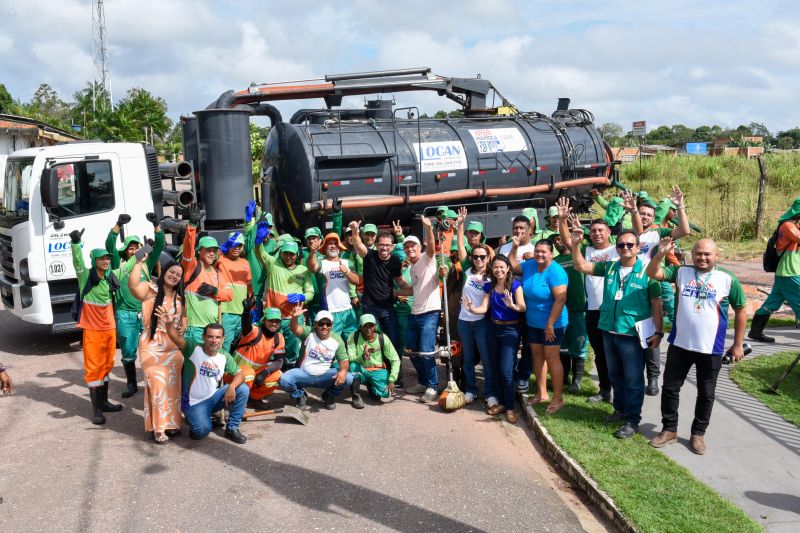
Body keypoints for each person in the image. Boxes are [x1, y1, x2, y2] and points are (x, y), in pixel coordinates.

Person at [646, 237, 747, 454]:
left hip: (711, 349)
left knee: (706, 393)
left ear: (716, 255)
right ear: (692, 254)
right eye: (698, 253)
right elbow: (652, 273)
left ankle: (698, 434)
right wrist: (661, 254)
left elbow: (741, 310)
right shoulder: (681, 272)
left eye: (707, 254)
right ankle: (669, 429)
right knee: (670, 388)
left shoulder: (727, 279)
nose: (702, 257)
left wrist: (738, 344)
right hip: (680, 344)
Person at [571, 227, 663, 439]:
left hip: (631, 334)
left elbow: (656, 304)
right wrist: (575, 244)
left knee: (633, 379)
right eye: (621, 245)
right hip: (608, 331)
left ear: (638, 248)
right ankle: (620, 409)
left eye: (630, 245)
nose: (625, 248)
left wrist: (658, 332)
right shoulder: (610, 267)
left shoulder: (648, 272)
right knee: (615, 375)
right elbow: (581, 266)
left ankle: (632, 420)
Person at [632, 186, 689, 396]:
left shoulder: (658, 233)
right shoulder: (627, 235)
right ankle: (634, 376)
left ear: (654, 217)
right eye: (642, 213)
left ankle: (653, 377)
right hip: (629, 286)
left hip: (651, 284)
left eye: (649, 214)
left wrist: (680, 206)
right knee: (631, 332)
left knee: (651, 331)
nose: (645, 217)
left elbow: (684, 231)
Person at [104, 211, 165, 398]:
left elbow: (160, 244)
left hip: (146, 313)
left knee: (151, 349)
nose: (134, 251)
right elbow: (109, 245)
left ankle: (152, 382)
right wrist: (118, 225)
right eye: (130, 248)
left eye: (136, 247)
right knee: (128, 352)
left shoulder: (147, 263)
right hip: (125, 314)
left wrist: (156, 224)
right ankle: (131, 384)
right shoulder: (119, 264)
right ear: (126, 251)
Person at [127, 253, 184, 444]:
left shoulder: (180, 298)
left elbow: (183, 318)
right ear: (164, 271)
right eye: (172, 272)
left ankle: (172, 424)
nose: (174, 276)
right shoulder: (151, 290)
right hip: (152, 346)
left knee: (173, 387)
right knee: (157, 386)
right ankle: (159, 429)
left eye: (178, 275)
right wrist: (138, 263)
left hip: (173, 348)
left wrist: (183, 327)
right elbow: (133, 286)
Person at [161, 320, 249, 444]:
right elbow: (176, 338)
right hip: (193, 403)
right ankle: (197, 420)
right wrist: (169, 324)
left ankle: (232, 428)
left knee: (243, 389)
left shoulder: (224, 355)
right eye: (210, 336)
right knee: (201, 431)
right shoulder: (192, 349)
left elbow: (240, 375)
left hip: (214, 398)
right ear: (203, 337)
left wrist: (232, 387)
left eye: (218, 337)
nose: (214, 340)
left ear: (223, 339)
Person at [69, 228, 124, 425]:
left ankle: (105, 402)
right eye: (102, 258)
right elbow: (77, 262)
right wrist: (76, 244)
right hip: (93, 331)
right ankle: (97, 411)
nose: (106, 261)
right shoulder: (85, 276)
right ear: (94, 261)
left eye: (108, 258)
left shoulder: (111, 277)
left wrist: (146, 251)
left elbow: (128, 264)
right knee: (94, 370)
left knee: (107, 365)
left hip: (110, 329)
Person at [509, 237, 568, 413]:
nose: (540, 255)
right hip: (533, 322)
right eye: (537, 251)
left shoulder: (556, 272)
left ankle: (558, 398)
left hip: (553, 323)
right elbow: (512, 266)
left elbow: (561, 299)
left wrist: (550, 323)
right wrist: (514, 247)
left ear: (551, 253)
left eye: (543, 252)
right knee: (537, 356)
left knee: (552, 357)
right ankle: (542, 393)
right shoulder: (530, 265)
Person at [465, 254, 526, 423]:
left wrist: (512, 305)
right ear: (492, 269)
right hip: (493, 329)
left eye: (502, 267)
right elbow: (483, 308)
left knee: (506, 371)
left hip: (510, 331)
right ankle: (501, 403)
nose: (498, 270)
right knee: (495, 367)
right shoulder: (489, 286)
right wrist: (471, 308)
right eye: (496, 267)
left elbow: (522, 307)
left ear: (508, 269)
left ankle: (510, 407)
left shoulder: (515, 285)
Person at [348, 220, 411, 357]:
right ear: (376, 245)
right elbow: (358, 244)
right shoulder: (370, 256)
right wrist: (355, 230)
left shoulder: (395, 261)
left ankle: (394, 368)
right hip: (370, 307)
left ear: (392, 247)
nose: (384, 248)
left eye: (387, 245)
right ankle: (374, 368)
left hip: (388, 308)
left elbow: (400, 281)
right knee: (371, 341)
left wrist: (412, 289)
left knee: (392, 341)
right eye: (381, 244)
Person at [401, 217, 446, 404]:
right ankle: (423, 382)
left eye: (413, 246)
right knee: (411, 350)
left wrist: (428, 228)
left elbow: (432, 248)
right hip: (415, 313)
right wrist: (392, 292)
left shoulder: (427, 259)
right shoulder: (412, 268)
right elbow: (414, 290)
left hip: (430, 313)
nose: (410, 249)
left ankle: (432, 387)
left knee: (426, 351)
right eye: (407, 247)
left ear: (420, 247)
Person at [279, 307, 356, 410]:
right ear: (315, 324)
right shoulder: (309, 332)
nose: (325, 327)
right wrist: (294, 318)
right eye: (321, 324)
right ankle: (300, 396)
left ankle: (329, 395)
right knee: (284, 380)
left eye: (328, 324)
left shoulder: (337, 340)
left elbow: (344, 360)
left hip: (325, 375)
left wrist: (343, 371)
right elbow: (295, 328)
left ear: (332, 325)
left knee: (348, 378)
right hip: (304, 374)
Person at [255, 236, 314, 366]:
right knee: (271, 349)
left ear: (297, 255)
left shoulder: (303, 270)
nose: (288, 257)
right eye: (286, 253)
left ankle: (290, 369)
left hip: (293, 318)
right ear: (281, 253)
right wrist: (258, 241)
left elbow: (310, 292)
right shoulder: (273, 264)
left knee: (293, 349)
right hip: (274, 318)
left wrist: (302, 297)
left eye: (292, 254)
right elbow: (260, 253)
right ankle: (273, 370)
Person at [749, 197, 800, 343]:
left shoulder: (793, 225)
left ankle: (755, 332)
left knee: (772, 303)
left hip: (785, 273)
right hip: (789, 272)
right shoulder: (787, 225)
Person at [581, 218, 619, 403]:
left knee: (616, 353)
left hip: (613, 310)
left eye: (600, 230)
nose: (597, 233)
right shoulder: (587, 250)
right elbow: (567, 242)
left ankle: (621, 394)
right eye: (593, 230)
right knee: (600, 353)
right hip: (593, 310)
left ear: (609, 232)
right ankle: (604, 390)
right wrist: (563, 221)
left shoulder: (617, 250)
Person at [181, 215, 233, 345]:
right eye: (208, 250)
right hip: (194, 329)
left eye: (214, 251)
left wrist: (215, 291)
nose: (212, 253)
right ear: (199, 251)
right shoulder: (191, 267)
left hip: (213, 331)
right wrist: (192, 226)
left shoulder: (218, 274)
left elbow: (229, 295)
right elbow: (187, 249)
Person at [498, 215, 535, 393]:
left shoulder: (535, 249)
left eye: (522, 228)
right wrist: (513, 247)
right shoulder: (505, 248)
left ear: (529, 230)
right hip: (507, 302)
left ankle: (523, 376)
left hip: (528, 302)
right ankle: (510, 374)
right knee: (510, 341)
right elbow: (505, 270)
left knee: (528, 342)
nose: (518, 231)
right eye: (515, 228)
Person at [554, 201, 589, 393]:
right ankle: (564, 377)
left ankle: (577, 380)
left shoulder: (579, 253)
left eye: (561, 238)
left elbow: (569, 239)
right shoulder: (554, 261)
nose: (559, 241)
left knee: (579, 343)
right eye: (555, 240)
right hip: (560, 309)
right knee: (563, 345)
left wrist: (563, 220)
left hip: (578, 307)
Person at [456, 240, 493, 404]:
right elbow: (460, 247)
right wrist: (460, 228)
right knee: (468, 358)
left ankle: (490, 392)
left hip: (482, 322)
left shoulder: (492, 275)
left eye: (482, 257)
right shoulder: (467, 270)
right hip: (464, 321)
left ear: (488, 258)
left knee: (486, 359)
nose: (478, 259)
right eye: (475, 256)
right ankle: (471, 389)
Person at [306, 233, 361, 340]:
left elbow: (356, 281)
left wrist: (347, 272)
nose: (333, 246)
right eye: (330, 244)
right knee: (333, 343)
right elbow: (311, 267)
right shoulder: (322, 263)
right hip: (330, 311)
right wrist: (312, 252)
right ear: (325, 247)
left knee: (353, 341)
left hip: (348, 310)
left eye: (336, 243)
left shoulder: (347, 262)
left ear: (339, 247)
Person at [234, 299, 286, 408]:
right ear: (264, 320)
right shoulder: (255, 331)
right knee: (249, 374)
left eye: (277, 321)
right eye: (271, 320)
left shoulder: (279, 338)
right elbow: (246, 326)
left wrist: (265, 372)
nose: (274, 324)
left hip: (255, 373)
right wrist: (246, 312)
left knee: (278, 376)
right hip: (235, 372)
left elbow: (279, 361)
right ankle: (238, 403)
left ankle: (254, 399)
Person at [347, 313, 401, 405]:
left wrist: (392, 380)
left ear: (375, 326)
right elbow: (351, 358)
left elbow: (395, 359)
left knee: (386, 393)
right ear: (360, 327)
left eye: (371, 325)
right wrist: (362, 357)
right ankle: (356, 397)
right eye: (365, 326)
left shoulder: (382, 337)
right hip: (361, 369)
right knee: (353, 365)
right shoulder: (354, 337)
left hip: (378, 370)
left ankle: (372, 387)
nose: (368, 329)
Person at [216, 231, 253, 352]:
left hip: (243, 313)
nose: (237, 248)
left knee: (241, 346)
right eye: (233, 244)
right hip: (226, 312)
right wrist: (222, 250)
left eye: (240, 245)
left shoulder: (245, 263)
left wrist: (251, 308)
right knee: (225, 346)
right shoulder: (220, 259)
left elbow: (249, 286)